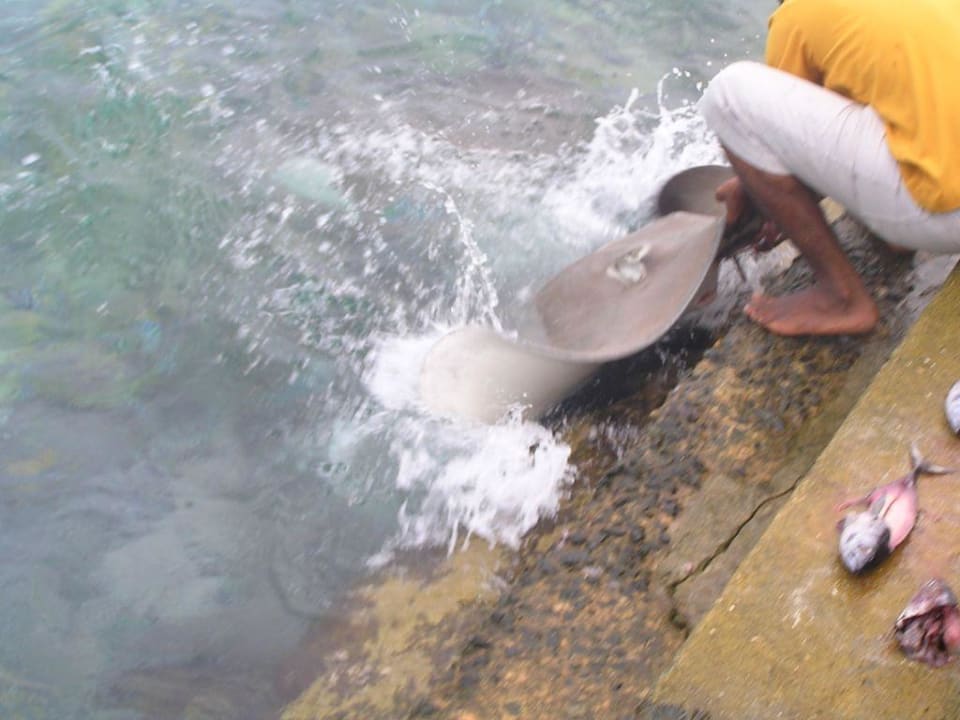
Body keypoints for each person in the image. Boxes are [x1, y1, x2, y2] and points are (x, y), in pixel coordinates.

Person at [698, 0, 960, 336]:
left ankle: (842, 298)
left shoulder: (797, 14)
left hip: (949, 215)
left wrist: (757, 192)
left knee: (729, 97)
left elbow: (780, 148)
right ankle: (896, 230)